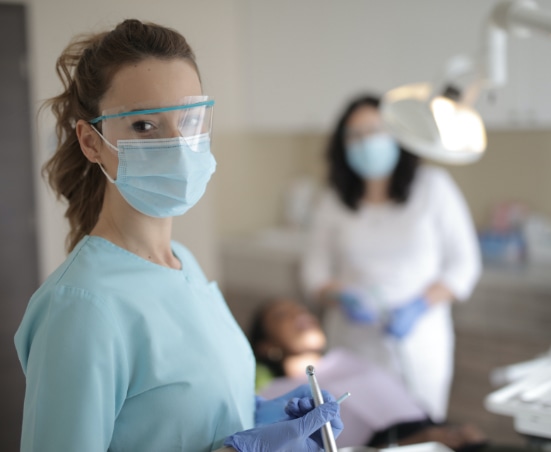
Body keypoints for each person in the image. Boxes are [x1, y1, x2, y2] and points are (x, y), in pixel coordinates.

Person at [13, 19, 342, 452]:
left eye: (189, 120)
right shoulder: (80, 306)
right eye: (144, 126)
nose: (177, 145)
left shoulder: (183, 262)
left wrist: (261, 413)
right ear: (91, 143)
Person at [301, 94, 482, 423]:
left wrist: (420, 305)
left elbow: (464, 264)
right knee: (354, 430)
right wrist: (338, 295)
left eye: (374, 130)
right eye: (354, 135)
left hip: (419, 344)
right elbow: (314, 270)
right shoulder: (332, 199)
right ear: (342, 145)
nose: (365, 142)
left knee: (419, 431)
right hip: (351, 343)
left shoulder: (433, 188)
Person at [251, 297, 519, 450]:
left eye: (302, 309)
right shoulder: (274, 394)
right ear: (266, 347)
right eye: (282, 314)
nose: (300, 313)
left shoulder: (346, 358)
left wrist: (451, 430)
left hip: (442, 436)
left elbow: (405, 407)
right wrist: (415, 443)